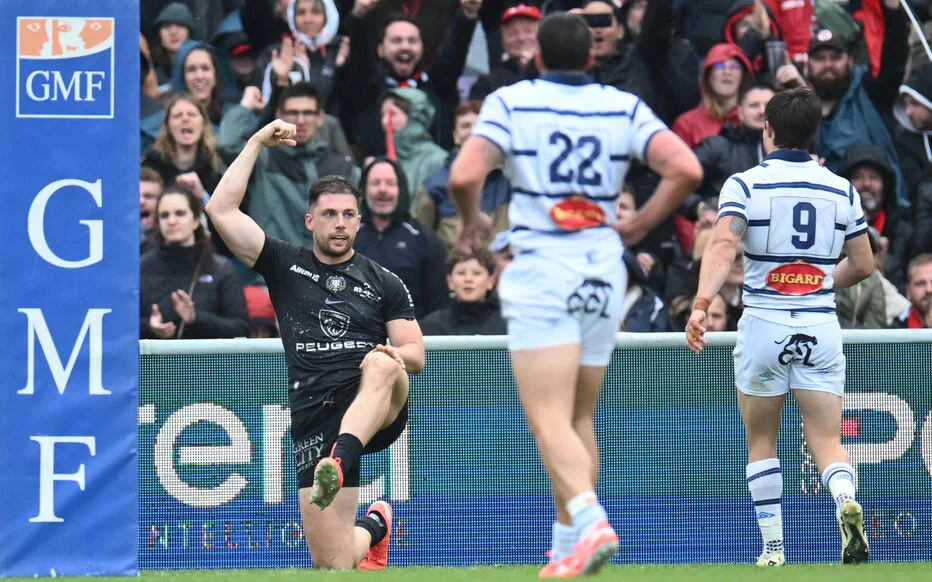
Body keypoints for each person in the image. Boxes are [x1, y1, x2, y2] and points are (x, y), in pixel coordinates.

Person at [449, 12, 702, 577]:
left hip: (544, 269)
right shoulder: (622, 106)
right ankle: (567, 549)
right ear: (591, 57)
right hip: (603, 271)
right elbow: (685, 168)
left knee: (546, 418)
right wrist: (639, 225)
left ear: (538, 57)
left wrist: (472, 221)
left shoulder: (513, 102)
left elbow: (464, 176)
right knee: (578, 415)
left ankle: (590, 519)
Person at [204, 119, 424, 571]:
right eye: (329, 214)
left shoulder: (384, 282)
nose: (339, 223)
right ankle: (376, 526)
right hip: (314, 415)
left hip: (376, 403)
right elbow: (220, 210)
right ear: (309, 221)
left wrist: (391, 355)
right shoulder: (283, 264)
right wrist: (256, 141)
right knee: (334, 564)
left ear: (359, 222)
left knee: (384, 363)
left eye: (348, 215)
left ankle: (340, 460)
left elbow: (415, 354)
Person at [685, 87, 874, 567]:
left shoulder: (745, 185)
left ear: (767, 129)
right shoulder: (841, 189)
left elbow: (723, 245)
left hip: (763, 323)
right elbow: (864, 263)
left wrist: (702, 304)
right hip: (820, 325)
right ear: (815, 132)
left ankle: (773, 549)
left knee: (761, 440)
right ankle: (844, 500)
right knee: (826, 440)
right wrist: (820, 281)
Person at [140, 185, 250, 340]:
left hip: (209, 356)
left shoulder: (221, 268)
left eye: (180, 213)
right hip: (153, 355)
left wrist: (195, 319)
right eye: (164, 215)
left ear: (196, 220)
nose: (171, 221)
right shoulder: (142, 267)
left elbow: (241, 328)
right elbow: (121, 325)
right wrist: (150, 327)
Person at [418, 246, 507, 335]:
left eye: (476, 273)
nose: (468, 279)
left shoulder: (508, 322)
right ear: (450, 281)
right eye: (461, 273)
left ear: (490, 282)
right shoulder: (432, 325)